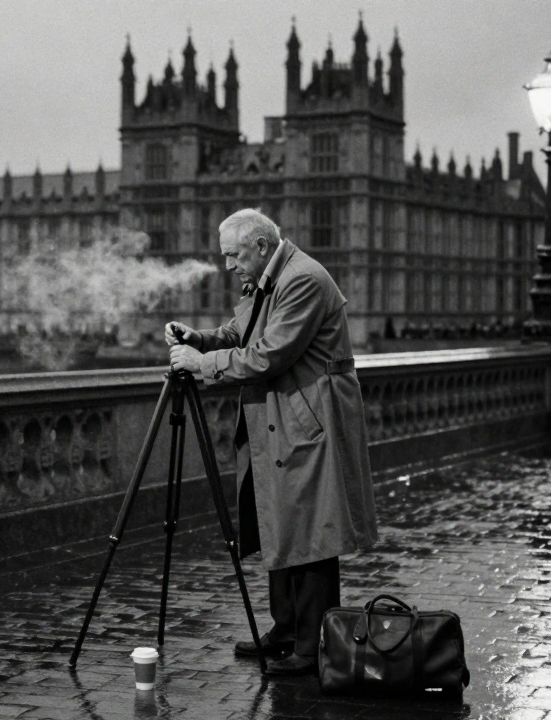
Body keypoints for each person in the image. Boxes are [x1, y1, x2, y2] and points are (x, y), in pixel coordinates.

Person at [166, 208, 378, 676]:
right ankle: (285, 631)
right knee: (280, 524)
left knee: (314, 534)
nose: (227, 266)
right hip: (284, 417)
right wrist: (199, 339)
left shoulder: (302, 279)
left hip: (310, 418)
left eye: (233, 256)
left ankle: (311, 646)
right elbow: (241, 333)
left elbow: (268, 355)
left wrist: (200, 364)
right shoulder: (272, 275)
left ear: (260, 246)